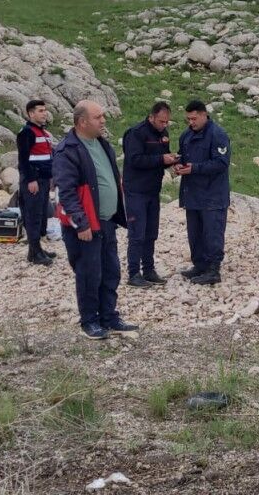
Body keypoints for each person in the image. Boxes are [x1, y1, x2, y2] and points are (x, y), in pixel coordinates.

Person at [53, 100, 139, 340]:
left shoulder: (102, 144)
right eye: (98, 117)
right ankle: (89, 321)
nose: (103, 121)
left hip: (106, 222)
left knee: (111, 271)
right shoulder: (67, 150)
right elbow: (66, 192)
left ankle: (109, 316)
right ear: (82, 122)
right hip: (86, 226)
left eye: (103, 116)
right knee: (89, 273)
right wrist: (80, 223)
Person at [173, 100, 231, 285]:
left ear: (204, 114)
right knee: (195, 232)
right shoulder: (186, 135)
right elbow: (183, 155)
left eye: (194, 118)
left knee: (212, 233)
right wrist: (178, 164)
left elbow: (221, 163)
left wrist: (194, 169)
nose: (191, 122)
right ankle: (199, 265)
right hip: (192, 194)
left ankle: (213, 270)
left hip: (213, 195)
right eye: (188, 119)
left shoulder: (218, 135)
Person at [121, 101, 178, 287]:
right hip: (136, 190)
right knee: (137, 233)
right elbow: (134, 159)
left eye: (167, 122)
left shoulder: (163, 134)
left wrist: (172, 161)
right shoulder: (136, 133)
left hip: (154, 190)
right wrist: (161, 159)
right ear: (151, 117)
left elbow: (163, 157)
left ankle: (149, 269)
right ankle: (133, 273)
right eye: (161, 121)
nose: (164, 125)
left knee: (151, 232)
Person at [15, 99, 56, 266]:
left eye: (45, 110)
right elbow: (23, 160)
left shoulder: (43, 133)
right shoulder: (26, 132)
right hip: (34, 180)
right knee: (32, 215)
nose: (44, 113)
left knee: (40, 214)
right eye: (40, 110)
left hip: (44, 180)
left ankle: (36, 250)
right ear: (31, 114)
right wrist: (31, 179)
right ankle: (35, 251)